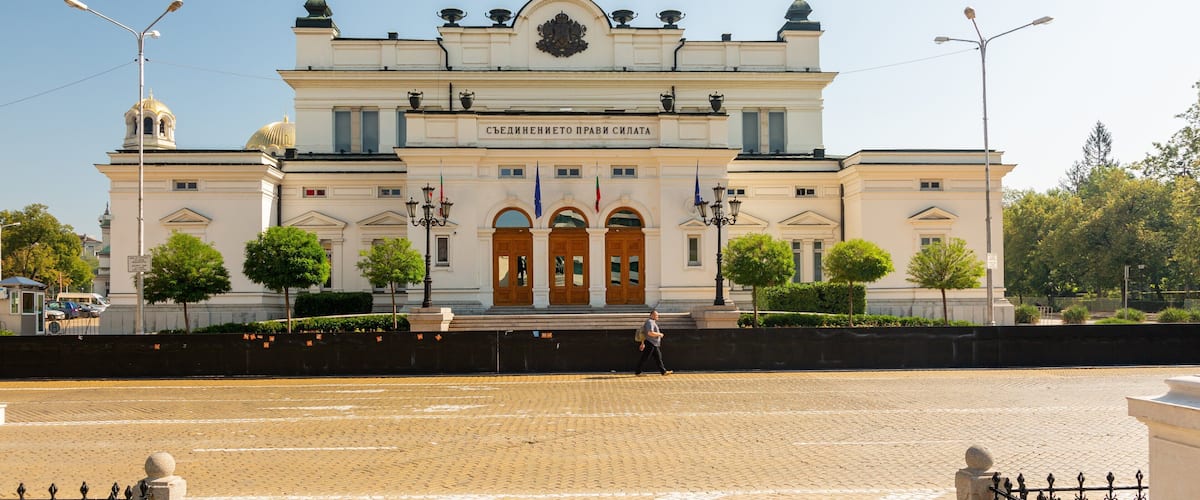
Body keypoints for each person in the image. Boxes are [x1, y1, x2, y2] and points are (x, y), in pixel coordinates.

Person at [634, 310, 672, 376]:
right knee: (645, 358)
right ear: (651, 315)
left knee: (658, 358)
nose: (657, 316)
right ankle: (638, 372)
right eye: (656, 315)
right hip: (650, 343)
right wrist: (659, 334)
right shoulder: (650, 322)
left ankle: (663, 371)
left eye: (657, 315)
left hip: (653, 344)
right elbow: (650, 333)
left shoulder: (652, 322)